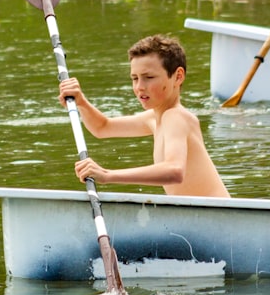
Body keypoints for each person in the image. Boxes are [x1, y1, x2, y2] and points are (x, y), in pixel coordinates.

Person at [58, 34, 231, 198]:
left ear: (178, 77)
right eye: (135, 78)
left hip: (220, 215)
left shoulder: (176, 117)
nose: (139, 86)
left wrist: (107, 175)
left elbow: (174, 171)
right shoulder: (153, 118)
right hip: (195, 214)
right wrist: (81, 102)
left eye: (149, 77)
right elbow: (102, 127)